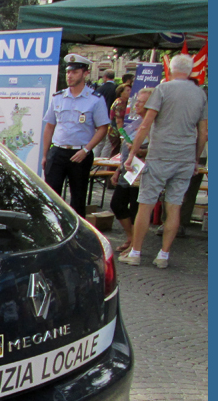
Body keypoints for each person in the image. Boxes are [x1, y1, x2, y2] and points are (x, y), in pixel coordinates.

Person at [120, 53, 208, 268]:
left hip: (159, 155)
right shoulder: (200, 94)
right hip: (185, 157)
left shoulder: (163, 89)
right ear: (190, 72)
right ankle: (164, 255)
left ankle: (136, 252)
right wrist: (195, 159)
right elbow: (204, 133)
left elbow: (145, 124)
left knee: (146, 205)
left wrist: (132, 154)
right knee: (175, 207)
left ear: (170, 70)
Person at [39, 53, 110, 217]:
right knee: (51, 197)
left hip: (80, 153)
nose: (69, 76)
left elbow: (102, 128)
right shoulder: (58, 97)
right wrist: (45, 154)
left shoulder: (95, 99)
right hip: (57, 151)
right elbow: (49, 126)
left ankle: (76, 236)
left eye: (75, 72)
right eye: (68, 72)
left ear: (85, 73)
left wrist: (87, 150)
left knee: (78, 198)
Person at [109, 87, 153, 253]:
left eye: (141, 102)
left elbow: (156, 150)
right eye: (137, 102)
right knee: (117, 204)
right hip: (128, 170)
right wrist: (118, 170)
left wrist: (141, 151)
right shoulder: (135, 123)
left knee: (136, 209)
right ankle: (131, 237)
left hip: (142, 172)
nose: (136, 105)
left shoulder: (153, 125)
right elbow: (125, 149)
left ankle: (135, 245)